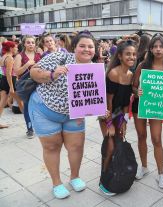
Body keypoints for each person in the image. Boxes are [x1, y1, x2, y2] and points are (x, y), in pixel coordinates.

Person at [28, 31, 97, 199]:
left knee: (76, 147)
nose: (86, 49)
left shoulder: (94, 68)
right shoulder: (59, 57)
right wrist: (52, 74)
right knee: (52, 147)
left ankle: (75, 177)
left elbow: (93, 95)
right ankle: (56, 183)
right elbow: (33, 72)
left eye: (90, 46)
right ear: (74, 47)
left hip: (74, 114)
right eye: (82, 46)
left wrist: (90, 110)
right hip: (44, 110)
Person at [132, 33, 163, 189]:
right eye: (155, 46)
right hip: (140, 106)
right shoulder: (142, 65)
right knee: (141, 136)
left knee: (156, 139)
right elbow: (134, 85)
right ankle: (144, 167)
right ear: (150, 49)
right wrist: (136, 91)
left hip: (156, 106)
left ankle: (160, 173)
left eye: (161, 46)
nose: (158, 49)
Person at [98, 40, 136, 195]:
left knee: (119, 144)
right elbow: (109, 101)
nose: (131, 57)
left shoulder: (131, 74)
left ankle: (116, 174)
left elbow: (126, 100)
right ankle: (104, 181)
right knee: (110, 146)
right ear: (119, 56)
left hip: (120, 114)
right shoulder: (113, 73)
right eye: (128, 54)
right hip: (107, 114)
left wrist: (125, 119)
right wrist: (109, 124)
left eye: (134, 54)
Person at [14, 35, 42, 138]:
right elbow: (16, 72)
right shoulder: (19, 56)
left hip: (39, 83)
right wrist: (27, 65)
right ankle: (29, 129)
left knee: (40, 106)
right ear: (24, 44)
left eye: (32, 42)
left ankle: (40, 126)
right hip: (26, 85)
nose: (31, 44)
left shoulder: (39, 54)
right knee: (27, 106)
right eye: (28, 42)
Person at [0, 41, 18, 129]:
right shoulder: (9, 58)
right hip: (9, 81)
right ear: (11, 48)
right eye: (16, 47)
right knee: (3, 103)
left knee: (2, 103)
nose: (17, 49)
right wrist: (11, 87)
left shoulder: (3, 56)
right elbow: (9, 74)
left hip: (4, 80)